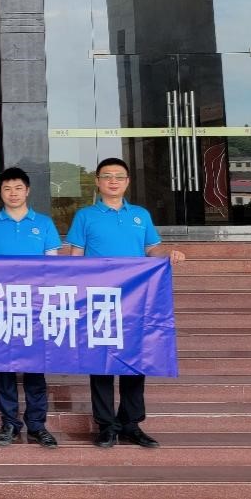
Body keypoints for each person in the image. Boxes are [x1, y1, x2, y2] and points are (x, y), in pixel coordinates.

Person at [64, 157, 186, 449]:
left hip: (135, 299)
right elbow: (75, 258)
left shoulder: (140, 215)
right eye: (107, 176)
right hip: (99, 299)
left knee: (135, 360)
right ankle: (106, 425)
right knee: (101, 362)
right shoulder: (85, 216)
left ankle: (131, 423)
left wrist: (168, 253)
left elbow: (152, 249)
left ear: (128, 182)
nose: (113, 181)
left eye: (119, 176)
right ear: (97, 182)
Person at [0, 167, 61, 449]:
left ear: (28, 190)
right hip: (2, 307)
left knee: (36, 368)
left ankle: (37, 425)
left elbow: (53, 267)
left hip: (35, 307)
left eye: (18, 188)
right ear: (0, 193)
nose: (13, 193)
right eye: (7, 189)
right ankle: (9, 423)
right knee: (6, 368)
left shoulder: (44, 223)